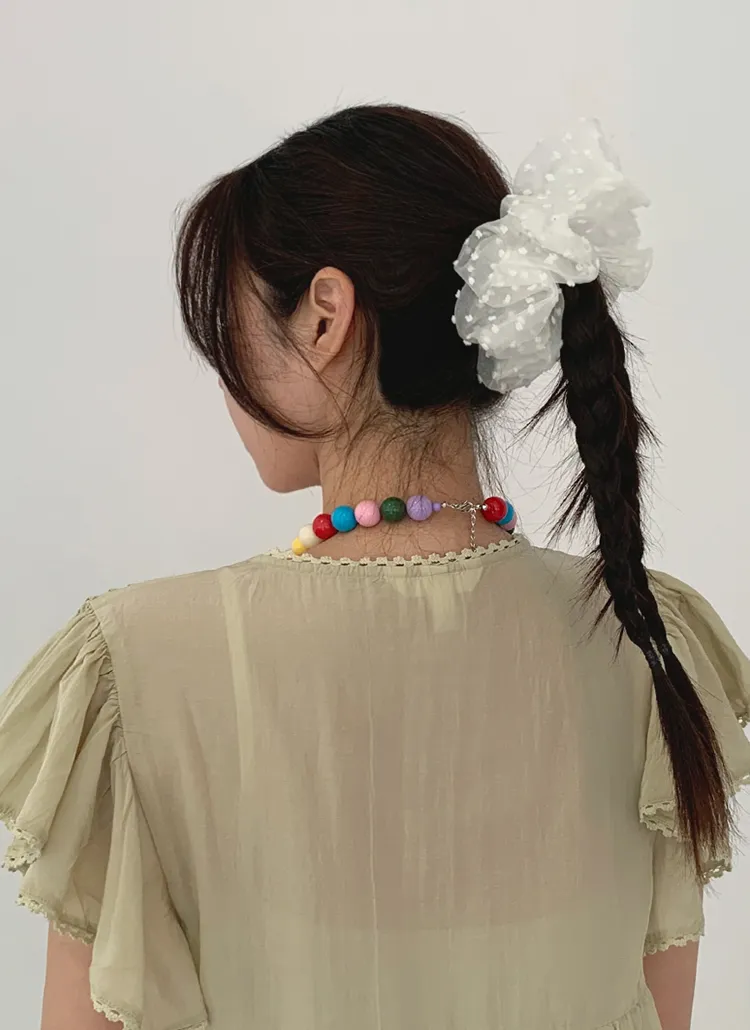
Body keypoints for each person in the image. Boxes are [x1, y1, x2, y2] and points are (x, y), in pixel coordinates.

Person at [1, 106, 748, 1030]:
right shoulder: (646, 646)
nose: (223, 374)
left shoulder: (134, 667)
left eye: (227, 327)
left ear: (325, 316)